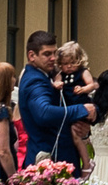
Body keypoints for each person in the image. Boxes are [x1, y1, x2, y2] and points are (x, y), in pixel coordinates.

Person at [20, 30, 92, 165]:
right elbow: (44, 113)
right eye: (47, 54)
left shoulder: (47, 75)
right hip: (48, 162)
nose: (53, 58)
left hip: (60, 156)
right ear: (31, 56)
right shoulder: (35, 81)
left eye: (54, 53)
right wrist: (82, 109)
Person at [59, 40, 99, 167]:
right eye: (65, 64)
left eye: (72, 63)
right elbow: (57, 81)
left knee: (76, 134)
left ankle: (86, 162)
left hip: (81, 105)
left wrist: (83, 89)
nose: (69, 67)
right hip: (68, 107)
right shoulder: (61, 74)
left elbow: (92, 85)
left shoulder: (83, 72)